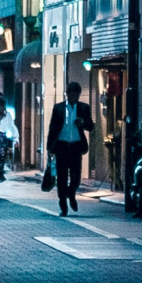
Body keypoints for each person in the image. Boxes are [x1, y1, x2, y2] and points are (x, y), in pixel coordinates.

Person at [46, 82, 94, 216]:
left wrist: (83, 123)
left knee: (76, 176)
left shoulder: (84, 108)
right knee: (61, 177)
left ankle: (71, 194)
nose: (74, 97)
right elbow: (53, 128)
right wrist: (50, 147)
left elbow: (91, 126)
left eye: (76, 95)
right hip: (61, 145)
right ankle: (63, 204)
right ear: (67, 94)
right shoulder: (59, 108)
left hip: (76, 146)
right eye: (72, 94)